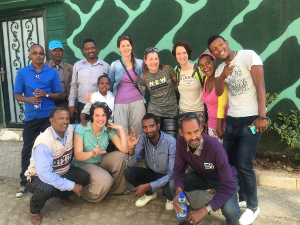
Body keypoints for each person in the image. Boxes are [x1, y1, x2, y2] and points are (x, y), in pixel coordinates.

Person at [208, 35, 267, 225]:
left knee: (244, 162)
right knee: (230, 162)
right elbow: (218, 93)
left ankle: (253, 206)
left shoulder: (248, 56)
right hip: (232, 121)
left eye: (220, 45)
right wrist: (223, 76)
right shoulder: (220, 69)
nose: (219, 49)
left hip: (251, 121)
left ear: (226, 43)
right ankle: (240, 197)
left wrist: (262, 116)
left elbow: (260, 86)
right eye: (214, 49)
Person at [170, 113, 240, 225]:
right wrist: (179, 192)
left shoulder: (215, 148)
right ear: (181, 133)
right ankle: (191, 218)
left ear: (201, 128)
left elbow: (230, 185)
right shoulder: (180, 141)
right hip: (201, 176)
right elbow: (178, 169)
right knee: (174, 184)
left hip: (223, 179)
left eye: (196, 131)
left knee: (231, 211)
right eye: (188, 133)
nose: (193, 137)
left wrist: (204, 210)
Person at [24, 107, 90, 225]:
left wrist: (93, 124)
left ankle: (61, 195)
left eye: (67, 118)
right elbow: (45, 175)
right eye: (61, 119)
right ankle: (34, 211)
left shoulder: (69, 129)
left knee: (84, 176)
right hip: (38, 176)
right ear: (52, 121)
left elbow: (80, 127)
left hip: (62, 171)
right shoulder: (44, 143)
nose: (65, 121)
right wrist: (71, 185)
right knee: (45, 189)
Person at [13, 44, 62, 198]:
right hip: (31, 118)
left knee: (53, 149)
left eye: (41, 53)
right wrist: (29, 99)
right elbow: (16, 94)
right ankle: (24, 182)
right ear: (30, 55)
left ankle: (54, 181)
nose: (39, 56)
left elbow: (58, 95)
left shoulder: (52, 72)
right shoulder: (22, 72)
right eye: (35, 53)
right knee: (28, 149)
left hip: (49, 117)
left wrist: (46, 94)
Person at [72, 101, 129, 203]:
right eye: (97, 115)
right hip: (84, 164)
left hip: (100, 161)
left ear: (107, 116)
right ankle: (83, 191)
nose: (101, 119)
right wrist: (91, 153)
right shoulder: (82, 128)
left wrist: (120, 128)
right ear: (92, 116)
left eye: (103, 115)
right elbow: (77, 156)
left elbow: (124, 149)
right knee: (106, 180)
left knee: (122, 157)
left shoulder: (107, 129)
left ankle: (115, 190)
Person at [124, 113, 176, 210]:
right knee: (128, 172)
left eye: (151, 126)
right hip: (151, 173)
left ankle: (170, 198)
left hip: (167, 176)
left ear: (158, 126)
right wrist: (131, 148)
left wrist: (148, 186)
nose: (148, 130)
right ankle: (150, 194)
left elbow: (172, 174)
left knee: (171, 188)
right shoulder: (143, 138)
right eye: (145, 127)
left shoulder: (170, 142)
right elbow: (131, 164)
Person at [109, 35, 145, 136]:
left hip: (137, 102)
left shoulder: (139, 64)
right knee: (121, 134)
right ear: (119, 48)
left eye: (128, 45)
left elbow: (145, 80)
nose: (126, 48)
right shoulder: (114, 65)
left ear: (131, 46)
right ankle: (123, 152)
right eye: (123, 46)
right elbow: (110, 85)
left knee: (137, 133)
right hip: (119, 104)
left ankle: (136, 152)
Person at [139, 47, 178, 138]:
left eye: (156, 59)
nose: (154, 62)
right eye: (151, 59)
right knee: (154, 139)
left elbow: (175, 85)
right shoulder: (143, 77)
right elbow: (143, 91)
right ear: (145, 61)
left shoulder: (168, 69)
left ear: (159, 59)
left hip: (171, 112)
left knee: (171, 140)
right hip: (154, 112)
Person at [69, 38, 110, 122]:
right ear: (83, 51)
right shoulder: (77, 65)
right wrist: (71, 105)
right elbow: (74, 86)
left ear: (97, 49)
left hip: (100, 105)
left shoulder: (105, 67)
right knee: (84, 130)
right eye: (87, 49)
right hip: (82, 105)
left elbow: (110, 87)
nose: (90, 50)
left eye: (92, 48)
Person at [172, 41, 206, 129]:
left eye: (184, 53)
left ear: (188, 53)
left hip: (199, 111)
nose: (182, 56)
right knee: (185, 140)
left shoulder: (198, 69)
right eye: (178, 53)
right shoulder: (177, 70)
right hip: (183, 112)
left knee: (198, 140)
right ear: (175, 56)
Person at [199, 52, 229, 144]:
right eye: (201, 66)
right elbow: (207, 105)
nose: (205, 67)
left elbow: (222, 105)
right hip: (211, 126)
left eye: (207, 63)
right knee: (215, 155)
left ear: (214, 62)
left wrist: (219, 128)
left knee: (225, 155)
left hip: (224, 126)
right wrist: (206, 123)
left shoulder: (221, 80)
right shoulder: (205, 80)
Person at [45, 40, 73, 108]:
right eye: (55, 50)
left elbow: (73, 88)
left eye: (60, 50)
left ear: (63, 52)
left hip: (65, 105)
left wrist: (71, 106)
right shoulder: (44, 66)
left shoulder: (70, 68)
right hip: (48, 105)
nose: (58, 53)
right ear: (50, 52)